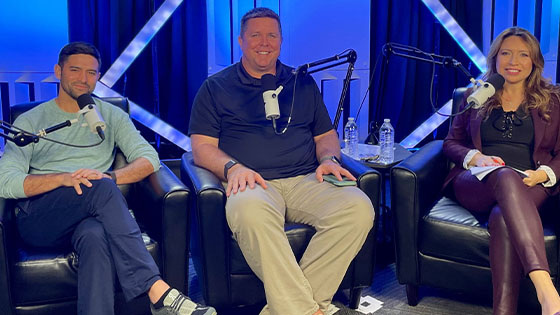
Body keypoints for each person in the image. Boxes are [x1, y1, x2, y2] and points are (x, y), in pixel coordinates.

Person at [0, 42, 216, 315]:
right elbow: (5, 181)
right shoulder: (30, 121)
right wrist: (64, 179)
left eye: (91, 73)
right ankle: (156, 290)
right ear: (58, 71)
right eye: (75, 70)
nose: (83, 79)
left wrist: (112, 175)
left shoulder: (110, 115)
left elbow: (148, 159)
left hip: (91, 213)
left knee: (95, 234)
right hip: (41, 217)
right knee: (100, 188)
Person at [188, 7, 374, 315]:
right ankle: (307, 309)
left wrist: (328, 158)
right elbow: (202, 148)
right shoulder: (215, 88)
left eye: (272, 35)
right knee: (249, 212)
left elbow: (325, 136)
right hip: (251, 182)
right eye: (256, 35)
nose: (264, 42)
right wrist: (233, 168)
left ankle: (289, 308)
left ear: (281, 40)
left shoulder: (302, 83)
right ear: (241, 41)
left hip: (306, 179)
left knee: (357, 208)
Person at [443, 27, 560, 315]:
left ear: (534, 62)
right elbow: (450, 143)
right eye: (506, 53)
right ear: (495, 58)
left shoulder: (553, 100)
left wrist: (544, 174)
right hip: (477, 182)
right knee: (504, 174)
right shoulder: (474, 96)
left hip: (530, 183)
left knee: (503, 218)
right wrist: (474, 157)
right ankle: (546, 289)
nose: (513, 61)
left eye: (523, 55)